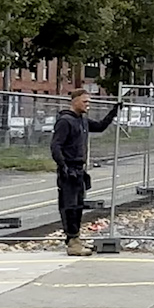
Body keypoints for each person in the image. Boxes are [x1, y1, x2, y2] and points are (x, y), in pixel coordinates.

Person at [51, 87, 121, 256]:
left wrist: (114, 112)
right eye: (85, 101)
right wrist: (63, 166)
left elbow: (100, 126)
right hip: (69, 170)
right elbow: (56, 145)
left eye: (89, 101)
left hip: (79, 170)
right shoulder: (65, 121)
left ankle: (75, 239)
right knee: (69, 207)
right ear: (75, 101)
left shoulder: (82, 120)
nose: (88, 104)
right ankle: (72, 241)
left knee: (77, 207)